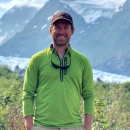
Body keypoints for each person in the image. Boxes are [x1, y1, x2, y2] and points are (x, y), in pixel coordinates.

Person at [22, 12, 94, 130]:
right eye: (57, 27)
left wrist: (87, 127)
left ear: (72, 31)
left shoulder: (83, 61)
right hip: (42, 126)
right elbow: (28, 93)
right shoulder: (37, 60)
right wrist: (29, 126)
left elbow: (89, 95)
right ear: (51, 30)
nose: (61, 32)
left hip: (73, 126)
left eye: (66, 27)